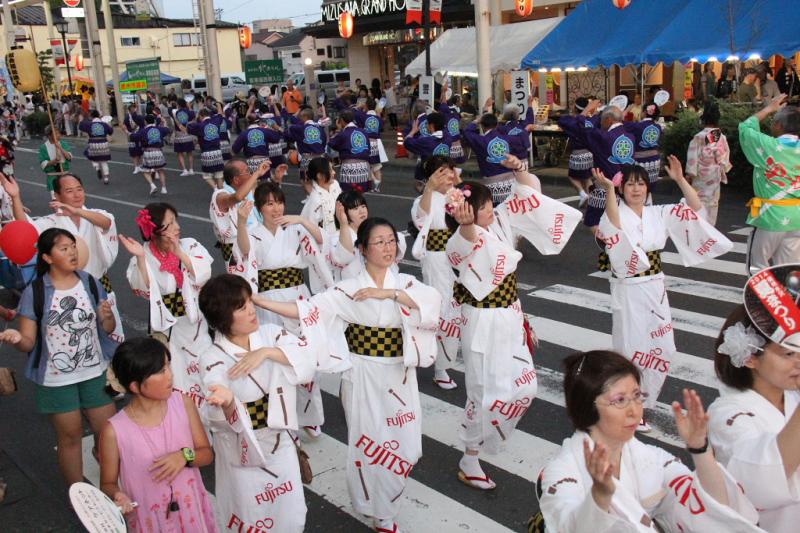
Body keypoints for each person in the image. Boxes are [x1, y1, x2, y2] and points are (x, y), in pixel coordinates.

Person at [254, 217, 441, 533]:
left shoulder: (407, 284)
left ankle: (384, 501)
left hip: (400, 374)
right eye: (378, 242)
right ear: (363, 250)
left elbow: (431, 304)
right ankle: (377, 509)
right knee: (369, 443)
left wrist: (389, 295)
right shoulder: (347, 289)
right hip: (362, 373)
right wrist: (257, 300)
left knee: (408, 448)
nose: (387, 247)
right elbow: (307, 311)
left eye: (391, 240)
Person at [445, 154, 580, 490]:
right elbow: (464, 244)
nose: (492, 208)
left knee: (526, 386)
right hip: (481, 322)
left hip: (510, 315)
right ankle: (470, 456)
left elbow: (529, 194)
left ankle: (490, 434)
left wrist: (520, 170)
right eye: (484, 206)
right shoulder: (459, 239)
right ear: (466, 211)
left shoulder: (502, 221)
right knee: (482, 393)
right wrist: (465, 224)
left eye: (491, 203)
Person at [538, 350, 762, 532]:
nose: (635, 410)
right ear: (587, 406)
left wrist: (700, 449)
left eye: (637, 396)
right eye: (620, 400)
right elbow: (566, 526)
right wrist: (600, 496)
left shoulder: (650, 458)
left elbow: (712, 507)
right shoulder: (562, 471)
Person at [595, 160, 732, 432]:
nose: (636, 189)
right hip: (628, 288)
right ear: (622, 188)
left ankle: (642, 403)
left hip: (655, 286)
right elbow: (612, 227)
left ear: (648, 187)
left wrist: (681, 180)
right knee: (631, 351)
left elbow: (695, 209)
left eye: (641, 183)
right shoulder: (616, 211)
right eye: (630, 183)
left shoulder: (658, 213)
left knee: (663, 348)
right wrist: (609, 190)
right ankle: (625, 408)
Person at [199, 274, 326, 532]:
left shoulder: (270, 334)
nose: (251, 311)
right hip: (243, 451)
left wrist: (266, 352)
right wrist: (227, 402)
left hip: (281, 443)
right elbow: (214, 395)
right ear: (223, 318)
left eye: (250, 303)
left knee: (291, 515)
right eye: (242, 307)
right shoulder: (212, 357)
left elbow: (308, 358)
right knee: (252, 516)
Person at [0, 228, 118, 485]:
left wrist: (107, 317)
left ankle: (110, 482)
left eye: (72, 246)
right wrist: (18, 340)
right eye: (63, 249)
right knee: (70, 437)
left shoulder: (89, 282)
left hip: (94, 371)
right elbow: (29, 342)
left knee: (109, 430)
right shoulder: (36, 292)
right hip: (55, 379)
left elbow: (106, 329)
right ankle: (79, 495)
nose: (72, 252)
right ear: (47, 257)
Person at [232, 183, 332, 437]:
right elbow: (244, 253)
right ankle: (283, 416)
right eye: (269, 203)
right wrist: (242, 223)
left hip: (297, 297)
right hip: (266, 300)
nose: (275, 208)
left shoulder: (296, 229)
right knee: (275, 357)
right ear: (260, 207)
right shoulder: (254, 232)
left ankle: (310, 415)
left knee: (304, 352)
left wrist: (301, 219)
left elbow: (322, 243)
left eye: (279, 202)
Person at [99, 338, 217, 532]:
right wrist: (117, 495)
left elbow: (206, 454)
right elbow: (108, 483)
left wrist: (184, 456)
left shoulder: (183, 403)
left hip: (191, 514)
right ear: (135, 386)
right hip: (149, 520)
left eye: (168, 366)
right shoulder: (114, 431)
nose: (170, 375)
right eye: (161, 371)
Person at [706, 290, 800, 533]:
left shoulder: (792, 396)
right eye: (789, 353)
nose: (799, 361)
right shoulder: (726, 415)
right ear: (749, 357)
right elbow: (762, 477)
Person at [120, 203, 213, 406]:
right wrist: (141, 258)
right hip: (166, 328)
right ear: (154, 231)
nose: (177, 227)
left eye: (175, 221)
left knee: (206, 373)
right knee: (175, 377)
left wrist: (179, 253)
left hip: (195, 322)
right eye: (169, 224)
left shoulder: (189, 244)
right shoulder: (143, 253)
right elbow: (143, 289)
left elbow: (204, 274)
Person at [410, 157, 461, 390]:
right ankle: (440, 367)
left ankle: (453, 357)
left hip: (461, 258)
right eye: (442, 172)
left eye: (450, 171)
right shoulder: (423, 200)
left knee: (462, 308)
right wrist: (430, 189)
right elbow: (421, 219)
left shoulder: (458, 195)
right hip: (438, 261)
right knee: (445, 310)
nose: (448, 176)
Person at [740, 94, 800, 273]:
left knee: (757, 267)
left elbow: (745, 127)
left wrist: (769, 108)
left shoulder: (768, 146)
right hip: (797, 216)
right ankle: (787, 300)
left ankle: (760, 300)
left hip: (771, 216)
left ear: (779, 126)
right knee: (789, 269)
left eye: (774, 121)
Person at [558, 101, 636, 232]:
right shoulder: (631, 137)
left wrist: (586, 110)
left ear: (609, 120)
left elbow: (569, 123)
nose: (601, 123)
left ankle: (609, 246)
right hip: (626, 188)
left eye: (602, 121)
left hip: (604, 189)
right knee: (623, 222)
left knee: (593, 222)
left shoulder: (602, 137)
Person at [331, 188, 407, 282]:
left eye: (363, 206)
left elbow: (398, 247)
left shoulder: (375, 229)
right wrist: (343, 224)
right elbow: (343, 258)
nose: (362, 211)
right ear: (344, 213)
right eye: (355, 208)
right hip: (355, 289)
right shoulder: (336, 238)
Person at [210, 158, 277, 264]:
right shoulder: (220, 196)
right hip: (235, 247)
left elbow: (265, 204)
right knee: (243, 280)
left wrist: (276, 179)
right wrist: (257, 174)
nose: (251, 173)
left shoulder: (249, 192)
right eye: (247, 171)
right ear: (236, 180)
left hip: (257, 240)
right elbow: (237, 197)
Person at [461, 102, 529, 205]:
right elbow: (524, 144)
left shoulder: (481, 141)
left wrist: (476, 121)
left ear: (482, 126)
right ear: (497, 125)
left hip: (492, 186)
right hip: (511, 183)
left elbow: (466, 132)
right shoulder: (508, 138)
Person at [686, 100, 731, 225]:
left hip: (701, 173)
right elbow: (724, 157)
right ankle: (710, 228)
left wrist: (690, 174)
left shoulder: (699, 137)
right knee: (713, 201)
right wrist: (722, 167)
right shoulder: (720, 136)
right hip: (715, 172)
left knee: (698, 200)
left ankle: (699, 226)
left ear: (704, 119)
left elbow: (692, 158)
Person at [558, 97, 597, 207]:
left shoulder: (571, 121)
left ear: (575, 108)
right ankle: (589, 202)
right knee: (587, 178)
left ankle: (582, 193)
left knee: (572, 176)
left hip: (578, 153)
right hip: (590, 154)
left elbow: (561, 121)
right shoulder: (591, 121)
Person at [283, 106, 328, 195]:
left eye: (301, 116)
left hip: (307, 157)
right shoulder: (320, 128)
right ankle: (321, 198)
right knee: (321, 179)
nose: (299, 118)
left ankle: (312, 198)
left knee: (305, 180)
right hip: (321, 156)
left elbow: (288, 133)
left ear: (305, 117)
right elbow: (324, 141)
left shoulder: (299, 128)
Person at [404, 112, 453, 192]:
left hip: (431, 180)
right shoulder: (448, 138)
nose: (426, 126)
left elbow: (407, 142)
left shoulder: (426, 142)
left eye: (427, 124)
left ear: (431, 126)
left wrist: (413, 131)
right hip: (445, 176)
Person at [329, 110, 372, 193]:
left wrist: (338, 130)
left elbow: (332, 143)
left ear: (341, 121)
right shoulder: (363, 132)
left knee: (348, 194)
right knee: (360, 193)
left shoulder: (343, 133)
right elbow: (368, 149)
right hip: (364, 167)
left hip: (349, 167)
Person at [231, 113, 284, 179]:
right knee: (265, 184)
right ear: (258, 121)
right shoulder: (265, 131)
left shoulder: (244, 134)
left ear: (247, 122)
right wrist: (277, 128)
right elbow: (277, 138)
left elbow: (234, 150)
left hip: (251, 162)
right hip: (264, 161)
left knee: (253, 184)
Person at [300, 157, 343, 236]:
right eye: (330, 170)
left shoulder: (335, 185)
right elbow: (310, 228)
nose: (334, 172)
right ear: (319, 175)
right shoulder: (315, 200)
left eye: (333, 169)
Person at [187, 107, 226, 189]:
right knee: (219, 175)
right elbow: (220, 115)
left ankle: (216, 190)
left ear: (201, 116)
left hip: (206, 153)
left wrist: (194, 120)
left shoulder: (199, 125)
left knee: (207, 176)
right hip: (218, 152)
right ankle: (221, 192)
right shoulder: (216, 122)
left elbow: (188, 127)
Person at [353, 98, 387, 192]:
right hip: (376, 143)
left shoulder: (363, 116)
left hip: (366, 142)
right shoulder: (378, 118)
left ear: (366, 106)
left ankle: (374, 180)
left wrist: (359, 107)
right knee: (376, 165)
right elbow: (381, 123)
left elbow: (353, 112)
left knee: (364, 163)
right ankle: (377, 187)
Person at [133, 114, 171, 196]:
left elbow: (134, 137)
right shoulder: (159, 129)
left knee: (145, 170)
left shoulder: (143, 130)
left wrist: (132, 131)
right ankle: (164, 188)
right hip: (158, 152)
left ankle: (152, 185)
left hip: (148, 152)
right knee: (160, 170)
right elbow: (168, 130)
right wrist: (164, 122)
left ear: (145, 121)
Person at [625, 102, 663, 183]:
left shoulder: (637, 126)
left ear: (645, 113)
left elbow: (620, 123)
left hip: (640, 161)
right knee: (651, 185)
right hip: (655, 160)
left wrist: (627, 110)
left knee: (640, 185)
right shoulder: (658, 127)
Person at [79, 110, 113, 184]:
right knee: (104, 161)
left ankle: (97, 167)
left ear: (91, 116)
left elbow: (81, 127)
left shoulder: (89, 124)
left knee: (90, 155)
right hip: (104, 143)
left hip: (93, 143)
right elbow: (111, 132)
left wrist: (83, 119)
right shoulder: (104, 124)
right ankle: (106, 178)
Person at [39, 126, 72, 199]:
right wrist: (54, 161)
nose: (58, 135)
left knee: (68, 199)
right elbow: (43, 164)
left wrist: (60, 148)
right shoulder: (44, 147)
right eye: (56, 133)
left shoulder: (63, 144)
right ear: (49, 135)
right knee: (56, 200)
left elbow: (69, 157)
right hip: (53, 177)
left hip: (65, 175)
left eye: (58, 133)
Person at [171, 99, 196, 176]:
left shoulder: (176, 112)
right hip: (188, 134)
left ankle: (184, 170)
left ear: (178, 104)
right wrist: (190, 107)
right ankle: (191, 169)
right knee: (190, 153)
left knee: (180, 153)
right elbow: (194, 115)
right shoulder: (190, 112)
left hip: (179, 135)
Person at [122, 103, 145, 175]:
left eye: (133, 108)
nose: (133, 110)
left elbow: (143, 125)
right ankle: (136, 167)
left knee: (140, 151)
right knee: (134, 152)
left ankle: (140, 165)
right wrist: (126, 131)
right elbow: (124, 125)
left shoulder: (139, 116)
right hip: (131, 136)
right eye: (132, 109)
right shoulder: (127, 117)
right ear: (129, 110)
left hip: (138, 135)